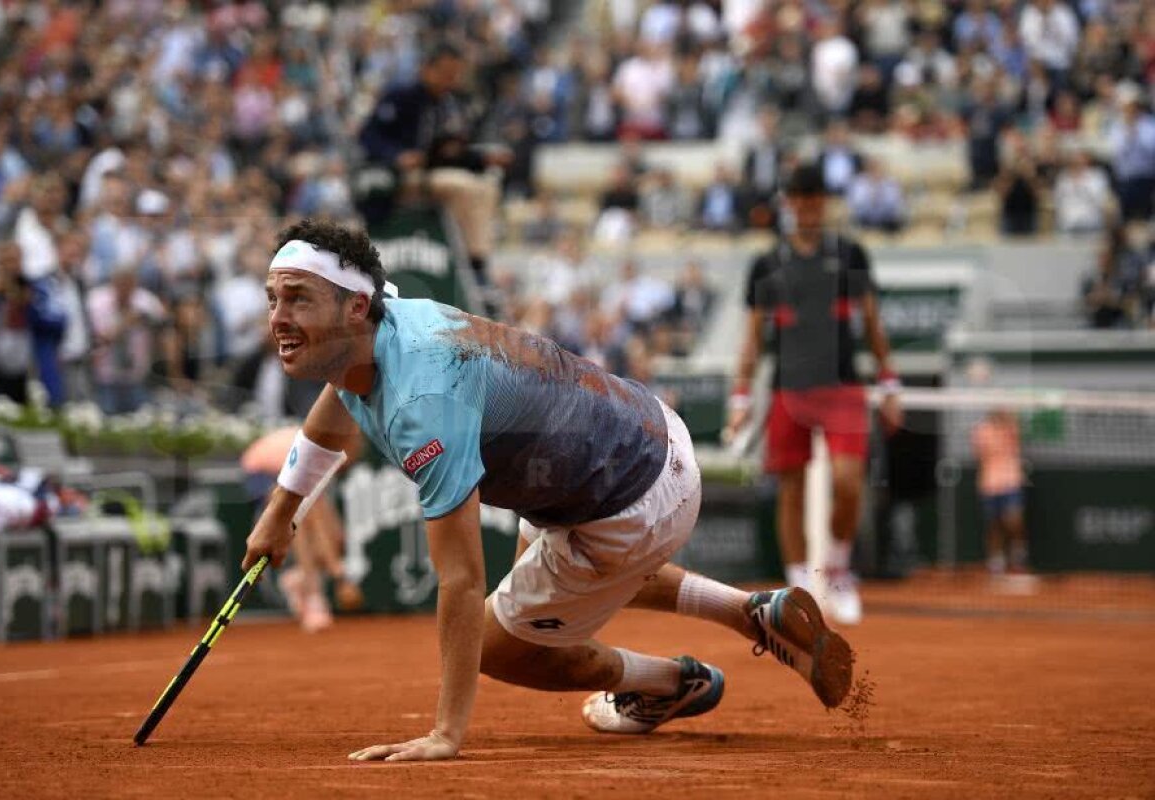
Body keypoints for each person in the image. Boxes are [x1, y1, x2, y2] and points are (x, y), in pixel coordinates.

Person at [242, 218, 854, 762]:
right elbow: (335, 407)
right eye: (274, 298)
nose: (278, 318)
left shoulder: (423, 402)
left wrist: (445, 734)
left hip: (627, 496)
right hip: (639, 435)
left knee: (497, 645)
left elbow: (461, 580)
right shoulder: (382, 322)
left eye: (298, 298)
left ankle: (669, 683)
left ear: (354, 308)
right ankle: (749, 613)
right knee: (559, 582)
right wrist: (280, 512)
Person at [724, 164, 903, 626]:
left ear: (824, 202)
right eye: (799, 198)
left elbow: (873, 322)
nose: (806, 206)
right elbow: (752, 339)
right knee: (791, 490)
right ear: (789, 203)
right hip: (788, 388)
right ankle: (798, 588)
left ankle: (838, 572)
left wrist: (889, 382)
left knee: (848, 483)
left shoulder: (851, 254)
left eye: (814, 197)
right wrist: (741, 398)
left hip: (843, 387)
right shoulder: (766, 264)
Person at [358, 42, 511, 286]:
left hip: (430, 174)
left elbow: (447, 153)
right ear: (427, 69)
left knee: (488, 185)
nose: (451, 80)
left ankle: (477, 258)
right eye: (446, 73)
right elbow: (368, 136)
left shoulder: (446, 104)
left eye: (455, 74)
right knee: (465, 188)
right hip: (397, 178)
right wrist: (396, 156)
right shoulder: (402, 95)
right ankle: (474, 266)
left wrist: (482, 159)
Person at [241, 426, 363, 632]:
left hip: (284, 469)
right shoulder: (323, 452)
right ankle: (312, 593)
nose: (355, 454)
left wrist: (336, 560)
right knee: (299, 516)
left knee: (326, 526)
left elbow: (330, 527)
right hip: (261, 474)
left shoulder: (328, 452)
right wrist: (340, 577)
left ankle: (299, 578)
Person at [971, 409, 1029, 577]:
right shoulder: (982, 430)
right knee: (993, 524)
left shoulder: (1012, 427)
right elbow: (979, 454)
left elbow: (1016, 435)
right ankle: (996, 561)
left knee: (1014, 521)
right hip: (989, 485)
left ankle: (1018, 557)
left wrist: (1007, 421)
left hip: (1011, 483)